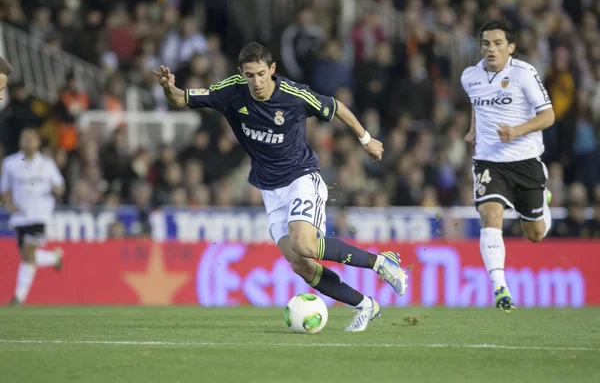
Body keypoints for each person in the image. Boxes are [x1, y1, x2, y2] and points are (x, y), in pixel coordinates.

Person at [155, 42, 407, 331]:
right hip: (270, 190)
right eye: (250, 75)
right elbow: (181, 98)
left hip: (301, 177)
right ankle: (365, 305)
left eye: (262, 73)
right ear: (241, 73)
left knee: (304, 244)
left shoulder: (293, 95)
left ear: (272, 69)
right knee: (301, 264)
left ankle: (380, 262)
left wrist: (366, 139)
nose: (257, 81)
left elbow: (336, 106)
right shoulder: (230, 91)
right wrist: (167, 87)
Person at [461, 19, 555, 312]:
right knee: (490, 216)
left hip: (525, 160)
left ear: (510, 47)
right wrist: (473, 129)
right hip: (490, 161)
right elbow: (478, 103)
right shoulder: (469, 76)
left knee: (535, 235)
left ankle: (543, 200)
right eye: (487, 43)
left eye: (498, 43)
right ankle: (500, 288)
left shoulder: (524, 73)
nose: (491, 49)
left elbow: (548, 116)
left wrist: (517, 131)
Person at [1, 128, 65, 306]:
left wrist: (55, 190)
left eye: (32, 139)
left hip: (40, 213)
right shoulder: (10, 163)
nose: (28, 143)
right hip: (20, 216)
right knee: (27, 256)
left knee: (29, 251)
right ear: (20, 142)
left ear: (37, 142)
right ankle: (54, 258)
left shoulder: (47, 164)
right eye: (25, 139)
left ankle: (19, 297)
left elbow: (59, 185)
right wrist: (8, 204)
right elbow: (4, 189)